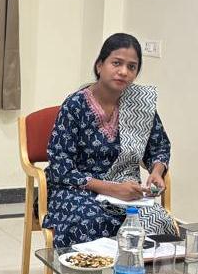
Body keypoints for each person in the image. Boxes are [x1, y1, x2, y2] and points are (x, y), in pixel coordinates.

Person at [43, 33, 176, 247]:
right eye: (116, 63)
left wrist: (157, 172)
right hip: (76, 189)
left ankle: (136, 270)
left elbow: (159, 146)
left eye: (131, 67)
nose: (123, 71)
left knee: (159, 223)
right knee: (90, 221)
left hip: (126, 189)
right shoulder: (75, 105)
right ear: (99, 66)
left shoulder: (139, 105)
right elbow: (61, 167)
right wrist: (112, 189)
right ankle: (92, 271)